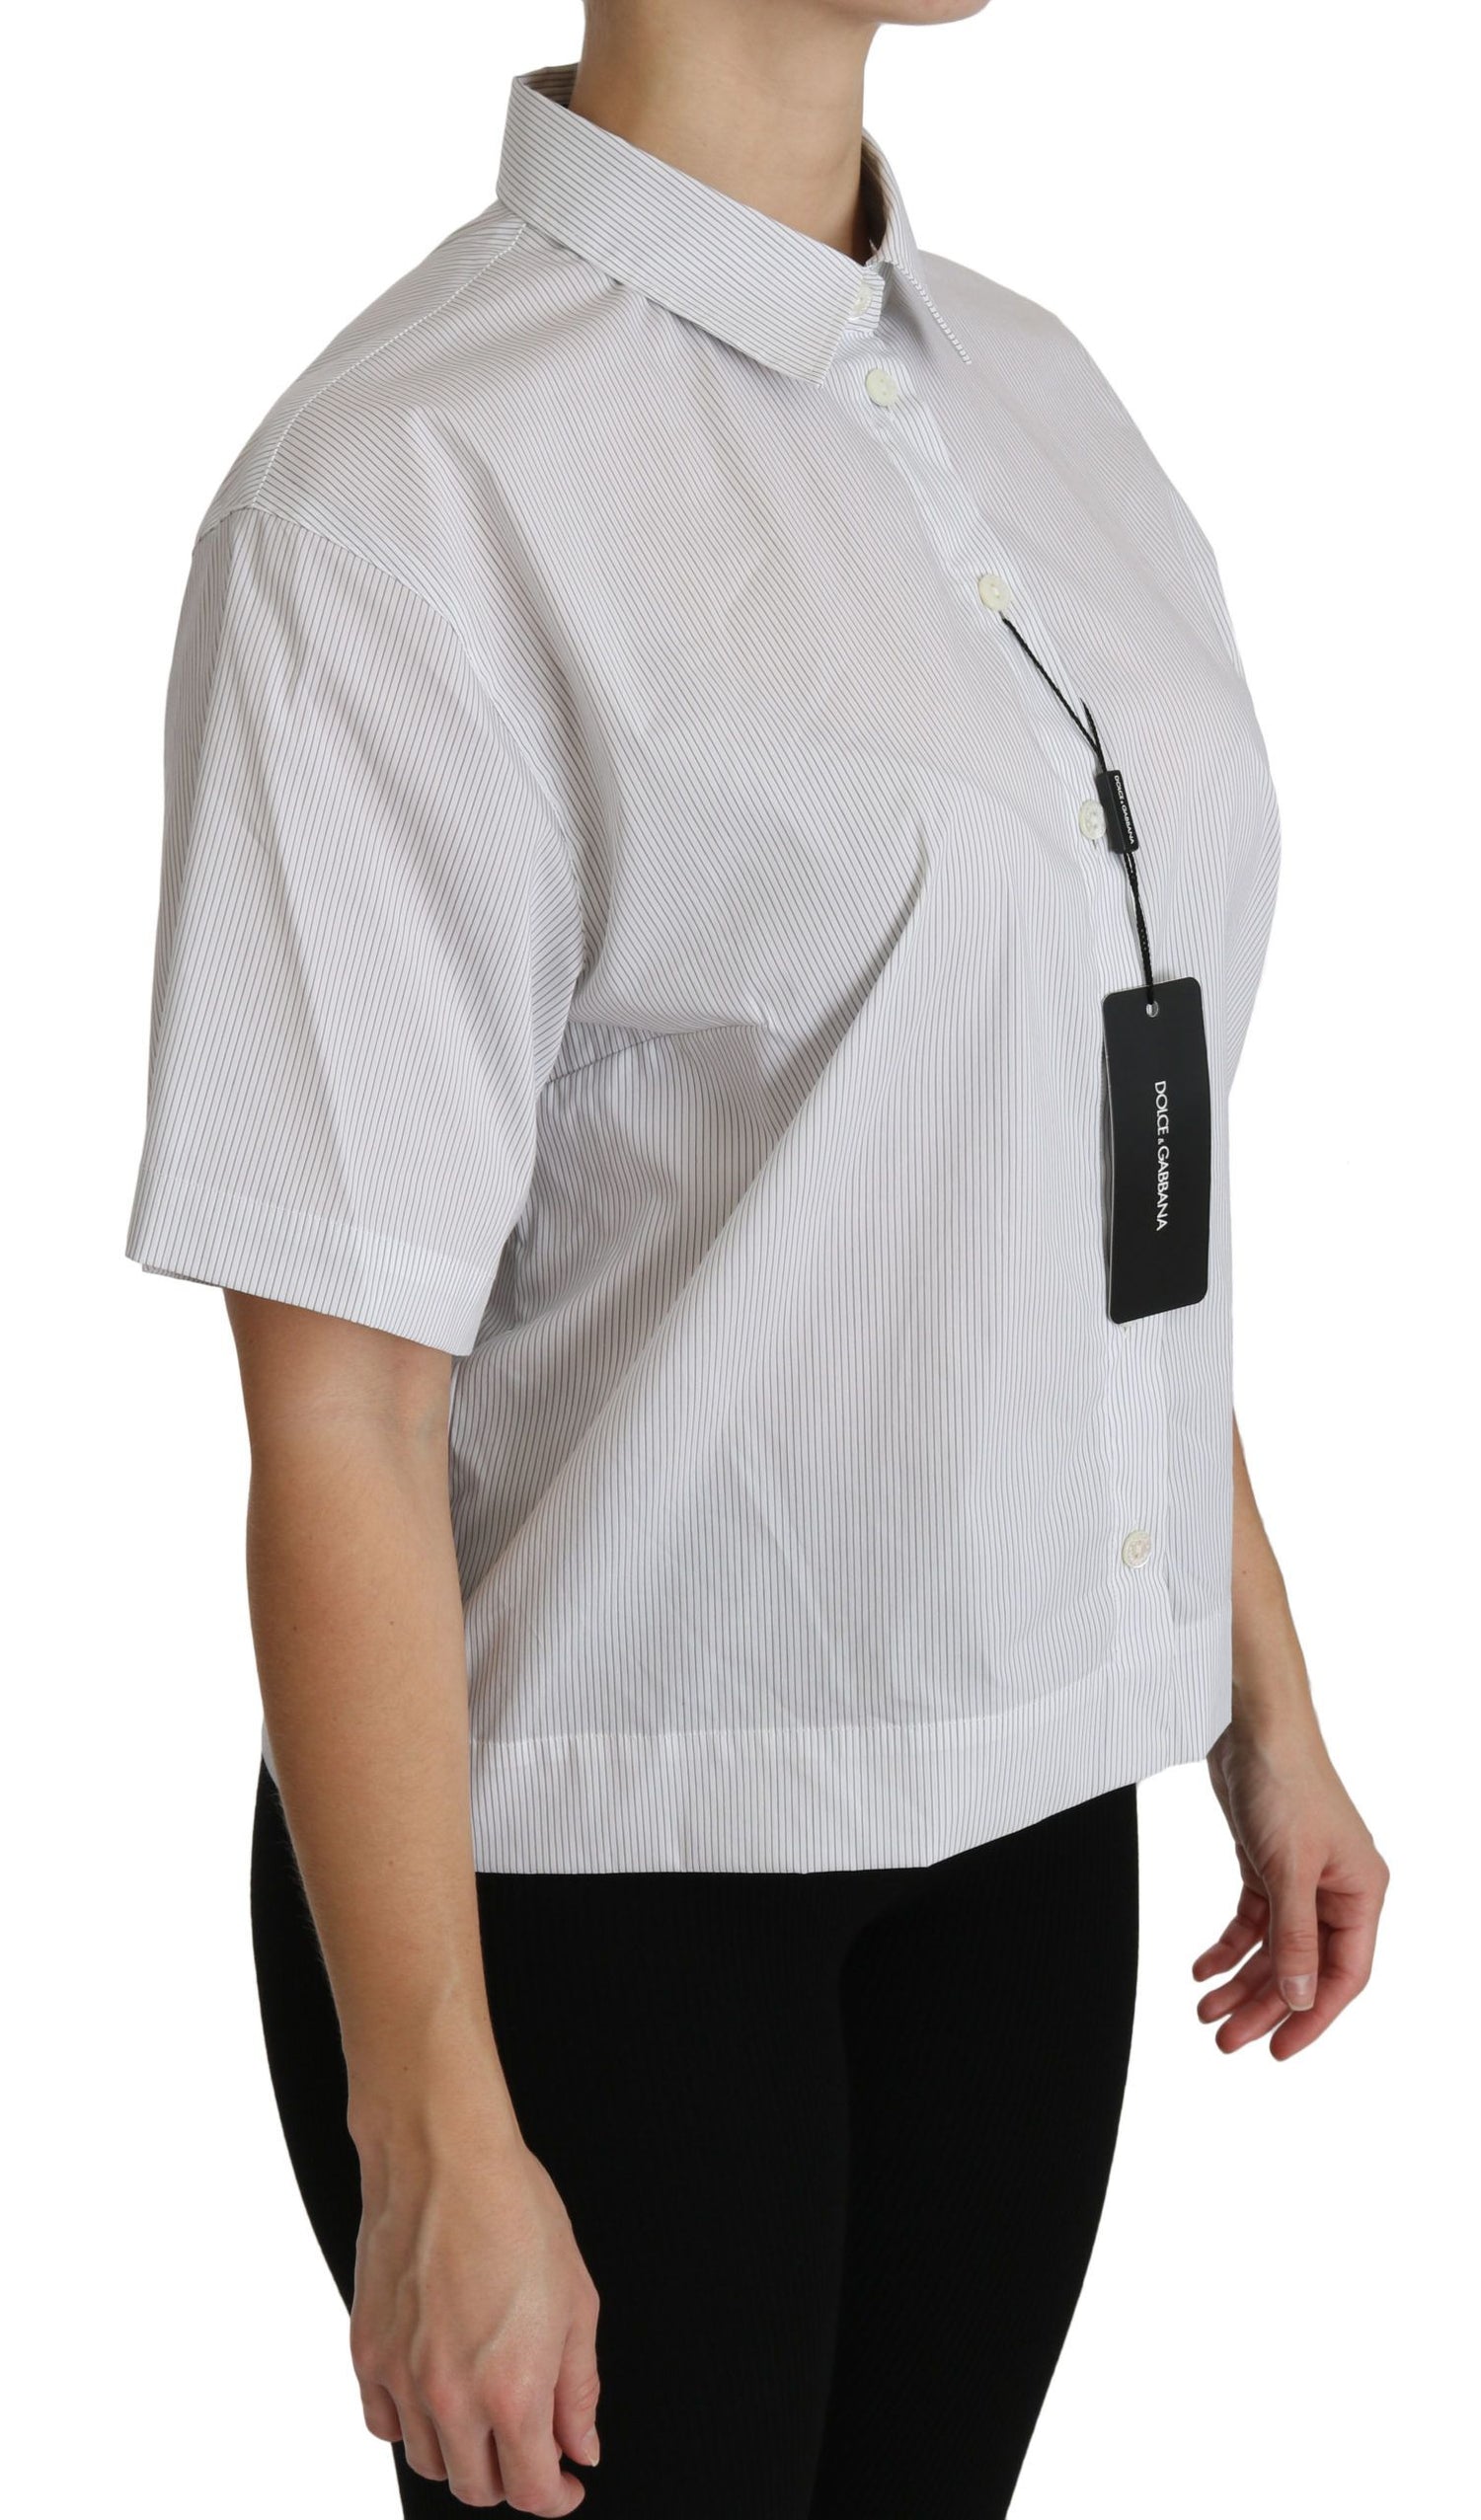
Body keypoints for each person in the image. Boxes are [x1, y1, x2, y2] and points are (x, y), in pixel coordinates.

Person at [123, 4, 1390, 2513]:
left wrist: (1256, 1688)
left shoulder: (1040, 402)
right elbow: (342, 1403)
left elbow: (1081, 1159)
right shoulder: (400, 493)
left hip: (1026, 1810)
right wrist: (430, 2128)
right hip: (595, 1869)